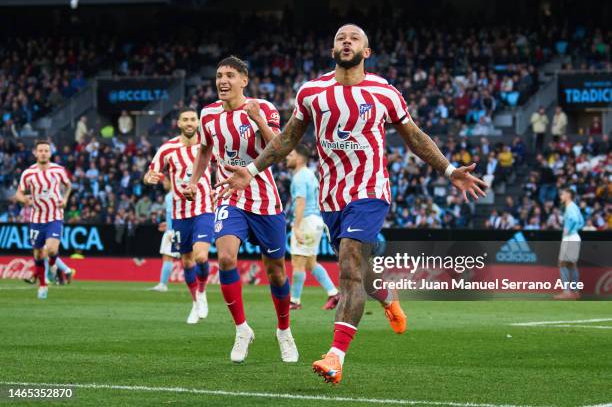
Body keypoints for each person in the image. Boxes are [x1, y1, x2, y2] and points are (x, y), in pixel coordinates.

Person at [216, 24, 487, 384]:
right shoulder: (312, 93)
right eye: (340, 39)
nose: (346, 42)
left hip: (370, 191)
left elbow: (416, 137)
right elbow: (286, 140)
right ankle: (386, 293)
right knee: (360, 271)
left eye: (354, 38)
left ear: (367, 51)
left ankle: (336, 355)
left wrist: (449, 169)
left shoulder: (384, 92)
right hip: (332, 197)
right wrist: (250, 170)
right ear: (333, 51)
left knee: (348, 265)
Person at [187, 56, 298, 364]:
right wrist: (194, 181)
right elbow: (205, 150)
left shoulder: (264, 107)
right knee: (224, 258)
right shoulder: (208, 114)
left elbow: (281, 149)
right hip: (229, 195)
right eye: (220, 75)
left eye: (230, 75)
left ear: (244, 81)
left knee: (276, 272)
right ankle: (241, 329)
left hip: (264, 198)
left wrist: (258, 119)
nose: (223, 80)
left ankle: (284, 331)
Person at [144, 107, 214, 324]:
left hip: (204, 208)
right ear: (179, 123)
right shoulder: (167, 149)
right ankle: (195, 302)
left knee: (201, 256)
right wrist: (150, 179)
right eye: (186, 119)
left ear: (198, 122)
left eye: (193, 119)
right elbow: (150, 173)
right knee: (185, 261)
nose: (190, 122)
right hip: (180, 214)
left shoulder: (208, 144)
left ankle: (201, 292)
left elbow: (223, 165)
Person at [14, 140, 72, 299]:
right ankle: (43, 285)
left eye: (46, 150)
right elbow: (18, 193)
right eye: (40, 151)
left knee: (52, 250)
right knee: (39, 255)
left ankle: (53, 266)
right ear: (35, 153)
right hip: (36, 218)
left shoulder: (58, 170)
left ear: (50, 153)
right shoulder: (28, 173)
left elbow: (68, 186)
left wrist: (65, 199)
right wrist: (24, 200)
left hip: (55, 216)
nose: (43, 153)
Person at [286, 144, 339, 310]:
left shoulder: (300, 177)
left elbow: (300, 202)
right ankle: (333, 293)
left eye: (291, 154)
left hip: (306, 220)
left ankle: (294, 301)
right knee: (310, 262)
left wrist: (296, 226)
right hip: (316, 220)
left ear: (300, 158)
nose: (287, 157)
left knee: (298, 262)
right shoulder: (311, 175)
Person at [150, 176, 180, 292]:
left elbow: (175, 214)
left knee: (168, 257)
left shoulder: (171, 196)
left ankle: (163, 285)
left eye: (165, 181)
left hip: (173, 231)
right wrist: (167, 224)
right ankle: (162, 283)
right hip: (174, 229)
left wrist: (171, 228)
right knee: (169, 257)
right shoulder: (176, 195)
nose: (163, 184)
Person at [554, 188, 584, 300]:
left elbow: (575, 220)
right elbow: (581, 222)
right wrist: (573, 229)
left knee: (562, 263)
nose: (561, 196)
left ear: (568, 195)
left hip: (570, 238)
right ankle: (575, 292)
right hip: (574, 237)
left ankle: (567, 292)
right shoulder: (575, 207)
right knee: (572, 264)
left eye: (562, 194)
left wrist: (568, 230)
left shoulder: (570, 207)